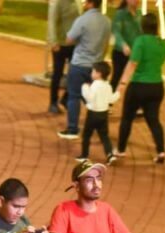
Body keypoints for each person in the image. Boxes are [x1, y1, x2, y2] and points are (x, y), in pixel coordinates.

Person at [115, 12, 165, 164]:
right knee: (154, 120)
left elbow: (132, 64)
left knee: (127, 118)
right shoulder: (162, 44)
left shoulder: (141, 41)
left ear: (142, 26)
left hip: (139, 85)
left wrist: (122, 84)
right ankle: (161, 151)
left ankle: (121, 150)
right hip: (157, 86)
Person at [58, 0, 110, 141]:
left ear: (90, 3)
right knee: (92, 99)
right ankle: (98, 128)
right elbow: (106, 43)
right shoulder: (106, 21)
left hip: (79, 63)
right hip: (96, 65)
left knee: (74, 97)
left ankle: (73, 128)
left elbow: (69, 39)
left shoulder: (83, 19)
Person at [80, 61, 118, 163]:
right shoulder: (108, 86)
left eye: (93, 71)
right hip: (104, 114)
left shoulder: (95, 85)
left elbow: (90, 98)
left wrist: (84, 88)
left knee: (87, 135)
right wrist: (119, 93)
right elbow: (111, 99)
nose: (91, 73)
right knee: (104, 135)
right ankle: (110, 154)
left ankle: (84, 155)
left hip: (93, 114)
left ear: (98, 73)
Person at [46, 0, 79, 115]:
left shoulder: (78, 2)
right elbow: (52, 22)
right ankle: (53, 103)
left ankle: (65, 99)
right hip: (60, 45)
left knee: (74, 74)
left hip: (74, 44)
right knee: (57, 74)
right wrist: (53, 41)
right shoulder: (58, 3)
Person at [109, 0, 139, 90]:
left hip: (135, 52)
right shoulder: (120, 14)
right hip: (120, 52)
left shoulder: (140, 14)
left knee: (135, 78)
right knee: (117, 76)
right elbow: (116, 31)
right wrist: (123, 45)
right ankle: (108, 100)